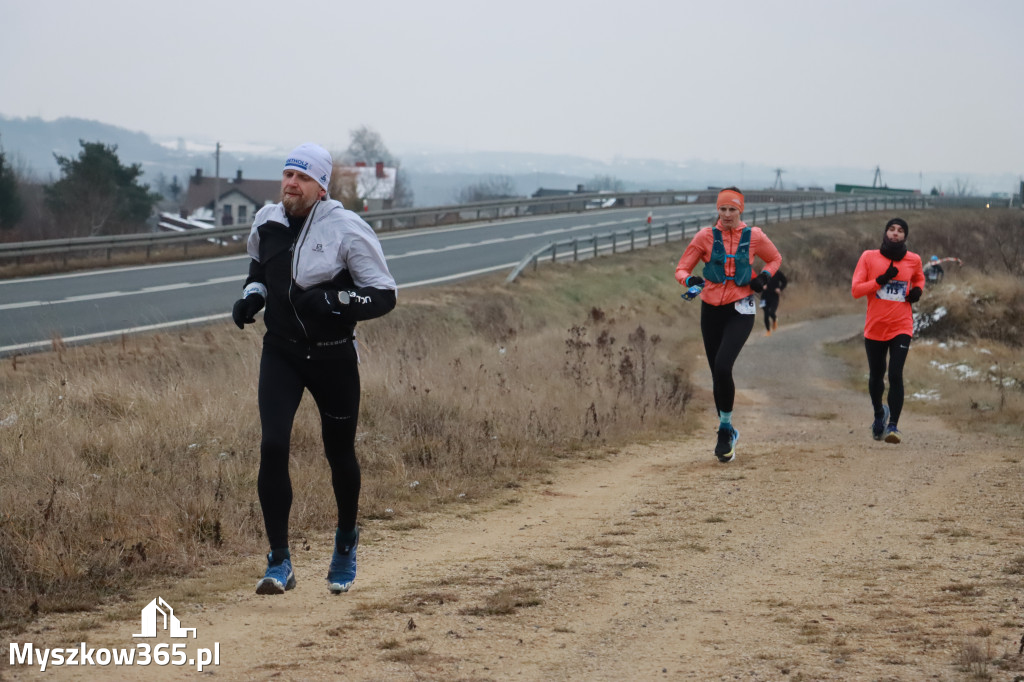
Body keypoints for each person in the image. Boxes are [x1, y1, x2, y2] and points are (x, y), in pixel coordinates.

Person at [232, 143, 397, 595]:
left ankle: (345, 541)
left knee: (338, 453)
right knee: (272, 446)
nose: (290, 184)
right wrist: (252, 295)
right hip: (281, 352)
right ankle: (279, 560)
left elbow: (383, 294)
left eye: (301, 177)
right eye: (287, 174)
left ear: (321, 186)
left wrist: (336, 299)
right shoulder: (267, 221)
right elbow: (259, 268)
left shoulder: (346, 229)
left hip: (332, 356)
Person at [675, 187, 782, 463]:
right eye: (722, 209)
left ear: (740, 210)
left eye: (732, 209)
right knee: (717, 375)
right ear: (717, 210)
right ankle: (727, 429)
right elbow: (681, 269)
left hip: (740, 308)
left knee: (724, 366)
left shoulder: (754, 236)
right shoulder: (705, 237)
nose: (726, 215)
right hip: (710, 308)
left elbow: (775, 258)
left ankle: (724, 430)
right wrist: (690, 281)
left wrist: (764, 278)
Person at [851, 217, 925, 444]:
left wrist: (917, 292)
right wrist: (880, 280)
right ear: (885, 233)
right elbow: (856, 290)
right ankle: (878, 415)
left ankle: (893, 426)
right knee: (876, 376)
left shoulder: (914, 260)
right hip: (875, 328)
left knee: (895, 374)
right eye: (891, 229)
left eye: (900, 231)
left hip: (901, 325)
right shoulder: (869, 257)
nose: (895, 234)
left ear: (905, 236)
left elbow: (919, 278)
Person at [760, 269, 788, 336]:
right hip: (764, 296)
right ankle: (768, 331)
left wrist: (780, 289)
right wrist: (762, 286)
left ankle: (774, 319)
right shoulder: (763, 273)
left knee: (771, 312)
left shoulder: (778, 273)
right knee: (766, 314)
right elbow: (758, 281)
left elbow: (785, 281)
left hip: (774, 296)